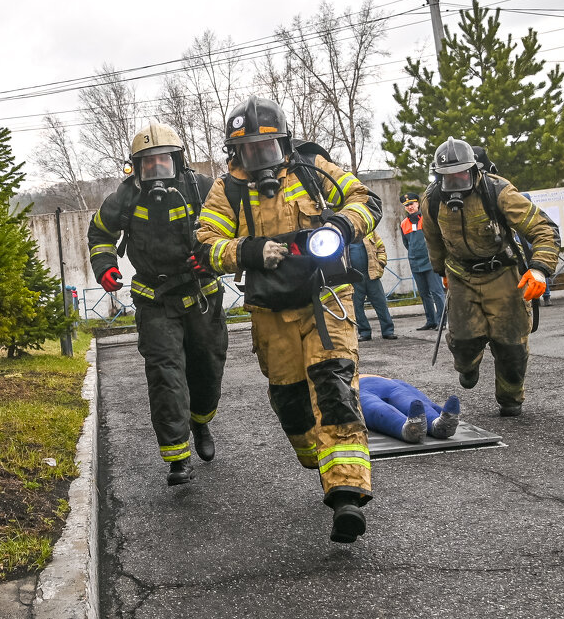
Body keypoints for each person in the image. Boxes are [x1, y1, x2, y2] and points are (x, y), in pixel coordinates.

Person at [192, 96, 382, 543]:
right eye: (250, 151)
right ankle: (317, 458)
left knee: (335, 388)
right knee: (292, 405)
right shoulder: (226, 191)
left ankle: (347, 496)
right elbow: (204, 243)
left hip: (325, 299)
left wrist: (340, 227)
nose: (261, 158)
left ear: (284, 143)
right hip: (270, 312)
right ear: (235, 153)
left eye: (269, 148)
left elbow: (365, 200)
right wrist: (247, 250)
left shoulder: (312, 173)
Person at [88, 122, 228, 487]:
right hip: (154, 300)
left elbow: (230, 227)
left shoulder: (200, 187)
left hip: (201, 296)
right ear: (135, 167)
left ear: (178, 161)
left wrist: (209, 257)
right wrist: (106, 266)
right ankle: (177, 458)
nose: (156, 171)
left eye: (163, 162)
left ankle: (201, 422)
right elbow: (101, 232)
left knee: (207, 367)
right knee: (165, 375)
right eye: (147, 164)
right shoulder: (126, 196)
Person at [421, 137, 560, 417]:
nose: (455, 180)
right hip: (461, 275)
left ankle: (510, 398)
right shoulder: (432, 200)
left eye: (461, 173)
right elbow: (433, 240)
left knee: (511, 343)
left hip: (504, 273)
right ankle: (468, 366)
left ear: (473, 169)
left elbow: (543, 229)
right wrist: (441, 272)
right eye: (447, 176)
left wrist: (539, 268)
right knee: (462, 340)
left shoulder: (498, 191)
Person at [359, 375, 460, 443]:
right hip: (371, 385)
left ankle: (436, 424)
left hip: (384, 384)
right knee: (376, 407)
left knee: (408, 401)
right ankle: (432, 424)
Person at [399, 192, 446, 329]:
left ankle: (442, 321)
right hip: (415, 262)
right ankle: (431, 321)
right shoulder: (403, 224)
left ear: (418, 204)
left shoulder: (427, 219)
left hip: (430, 260)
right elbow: (406, 244)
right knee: (424, 293)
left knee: (437, 292)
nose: (410, 207)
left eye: (412, 204)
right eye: (407, 205)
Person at [349, 230, 396, 340]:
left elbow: (381, 248)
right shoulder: (344, 236)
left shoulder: (370, 231)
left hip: (371, 275)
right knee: (357, 307)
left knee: (381, 304)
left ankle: (388, 331)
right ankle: (364, 333)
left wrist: (381, 263)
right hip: (354, 278)